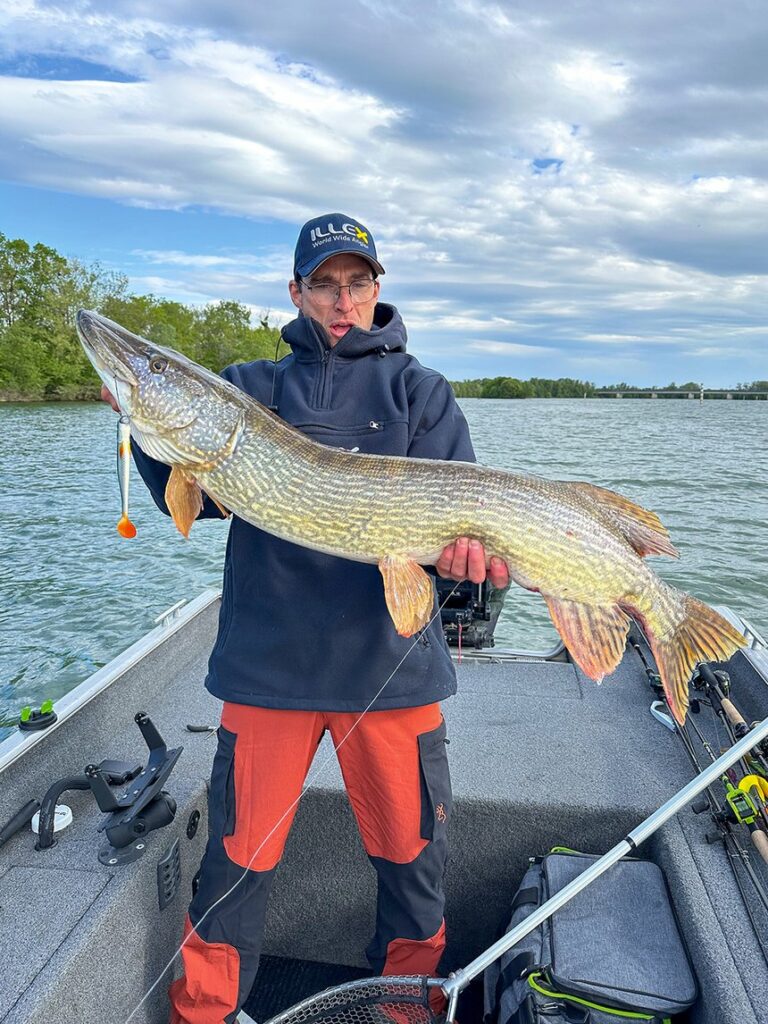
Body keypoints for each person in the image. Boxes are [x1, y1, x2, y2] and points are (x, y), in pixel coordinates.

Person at [102, 213, 509, 1024]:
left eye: (357, 283)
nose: (342, 300)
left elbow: (454, 527)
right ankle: (203, 1014)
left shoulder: (419, 391)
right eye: (325, 284)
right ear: (296, 292)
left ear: (377, 289)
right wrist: (144, 423)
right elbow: (193, 504)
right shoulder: (245, 388)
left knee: (413, 863)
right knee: (234, 868)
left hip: (390, 668)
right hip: (269, 669)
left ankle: (404, 1011)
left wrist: (462, 557)